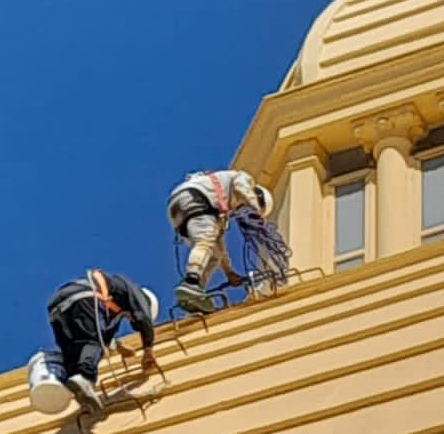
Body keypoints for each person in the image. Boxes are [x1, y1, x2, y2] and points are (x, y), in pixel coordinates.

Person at [46, 269, 159, 414]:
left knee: (75, 353)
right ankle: (85, 378)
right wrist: (148, 350)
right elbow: (144, 318)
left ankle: (81, 391)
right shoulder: (137, 294)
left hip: (58, 307)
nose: (131, 319)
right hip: (83, 297)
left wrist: (118, 347)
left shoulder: (112, 306)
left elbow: (104, 334)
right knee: (93, 343)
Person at [166, 169, 274, 313]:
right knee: (205, 240)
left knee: (214, 255)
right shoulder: (243, 179)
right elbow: (241, 188)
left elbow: (219, 245)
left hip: (179, 206)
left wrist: (229, 273)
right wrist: (257, 211)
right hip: (194, 197)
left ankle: (196, 292)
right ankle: (191, 281)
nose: (240, 209)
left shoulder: (220, 210)